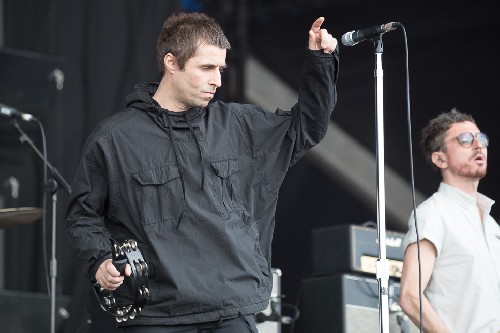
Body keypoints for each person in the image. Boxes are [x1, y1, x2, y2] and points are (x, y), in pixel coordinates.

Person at [66, 12, 338, 332]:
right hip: (156, 314)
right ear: (171, 62)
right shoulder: (114, 139)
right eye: (206, 68)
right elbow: (82, 215)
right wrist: (100, 260)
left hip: (232, 307)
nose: (218, 80)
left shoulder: (239, 125)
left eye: (220, 69)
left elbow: (307, 127)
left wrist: (320, 62)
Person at [399, 109, 500, 332]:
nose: (478, 145)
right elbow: (409, 295)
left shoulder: (492, 226)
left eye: (481, 139)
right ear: (440, 158)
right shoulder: (433, 213)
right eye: (465, 140)